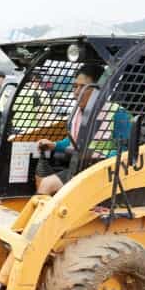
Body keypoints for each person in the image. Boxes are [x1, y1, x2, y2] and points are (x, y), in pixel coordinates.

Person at [36, 64, 105, 195]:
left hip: (102, 171)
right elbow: (74, 140)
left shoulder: (116, 114)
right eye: (75, 86)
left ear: (98, 90)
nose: (77, 92)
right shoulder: (79, 114)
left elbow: (127, 152)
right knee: (41, 175)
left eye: (83, 87)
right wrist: (54, 145)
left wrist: (95, 154)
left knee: (47, 184)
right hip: (82, 167)